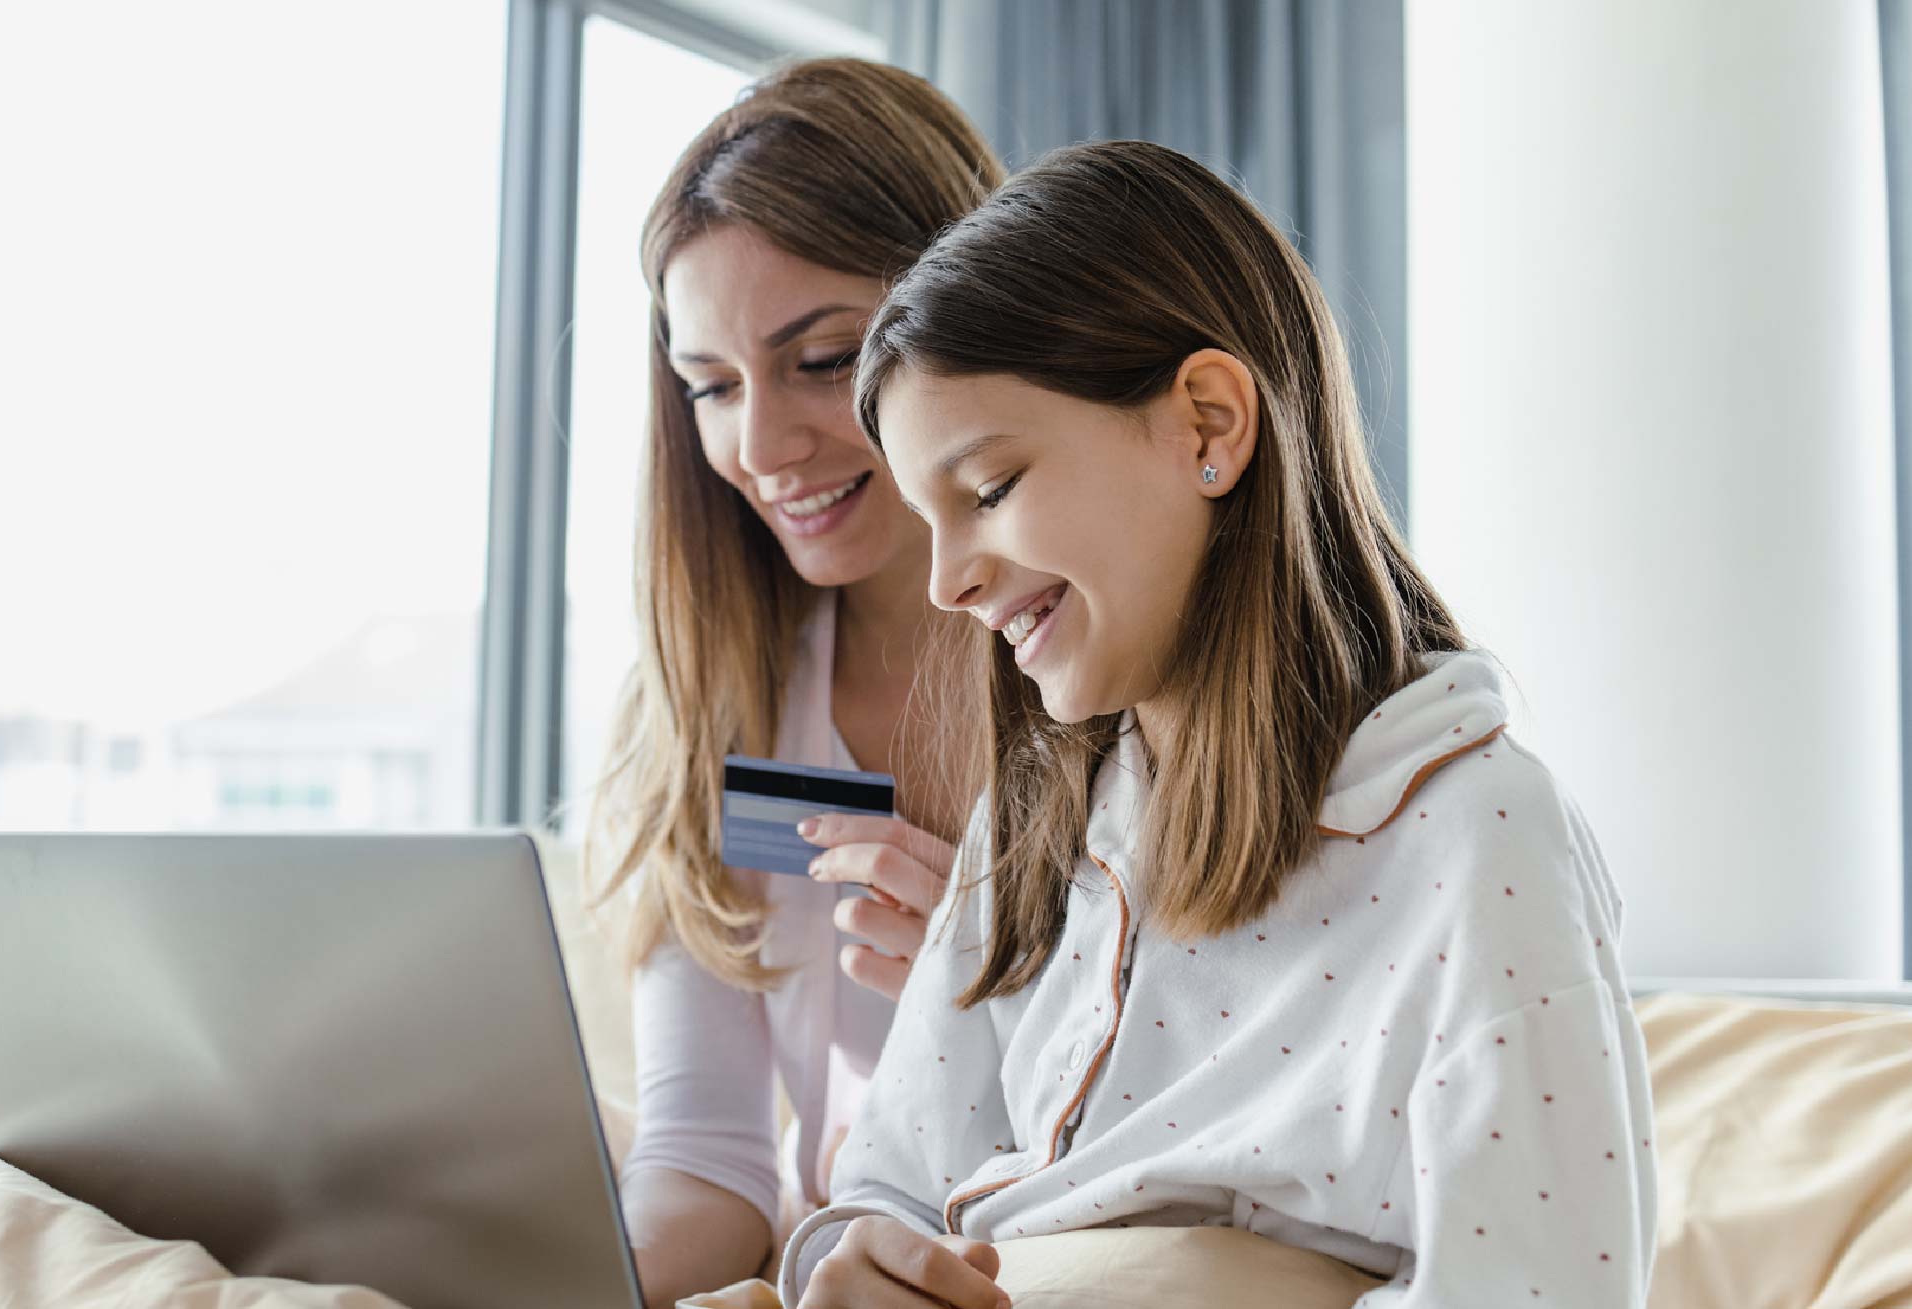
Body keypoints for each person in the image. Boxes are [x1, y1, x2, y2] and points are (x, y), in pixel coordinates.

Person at [781, 140, 1657, 1307]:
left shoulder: (1477, 841)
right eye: (926, 518)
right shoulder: (1034, 825)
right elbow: (882, 1191)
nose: (945, 582)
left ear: (1206, 424)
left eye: (986, 491)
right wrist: (846, 1264)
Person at [578, 58, 1005, 1304]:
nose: (758, 449)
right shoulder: (718, 704)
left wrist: (992, 999)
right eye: (710, 386)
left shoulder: (1115, 673)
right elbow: (709, 1156)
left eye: (823, 359)